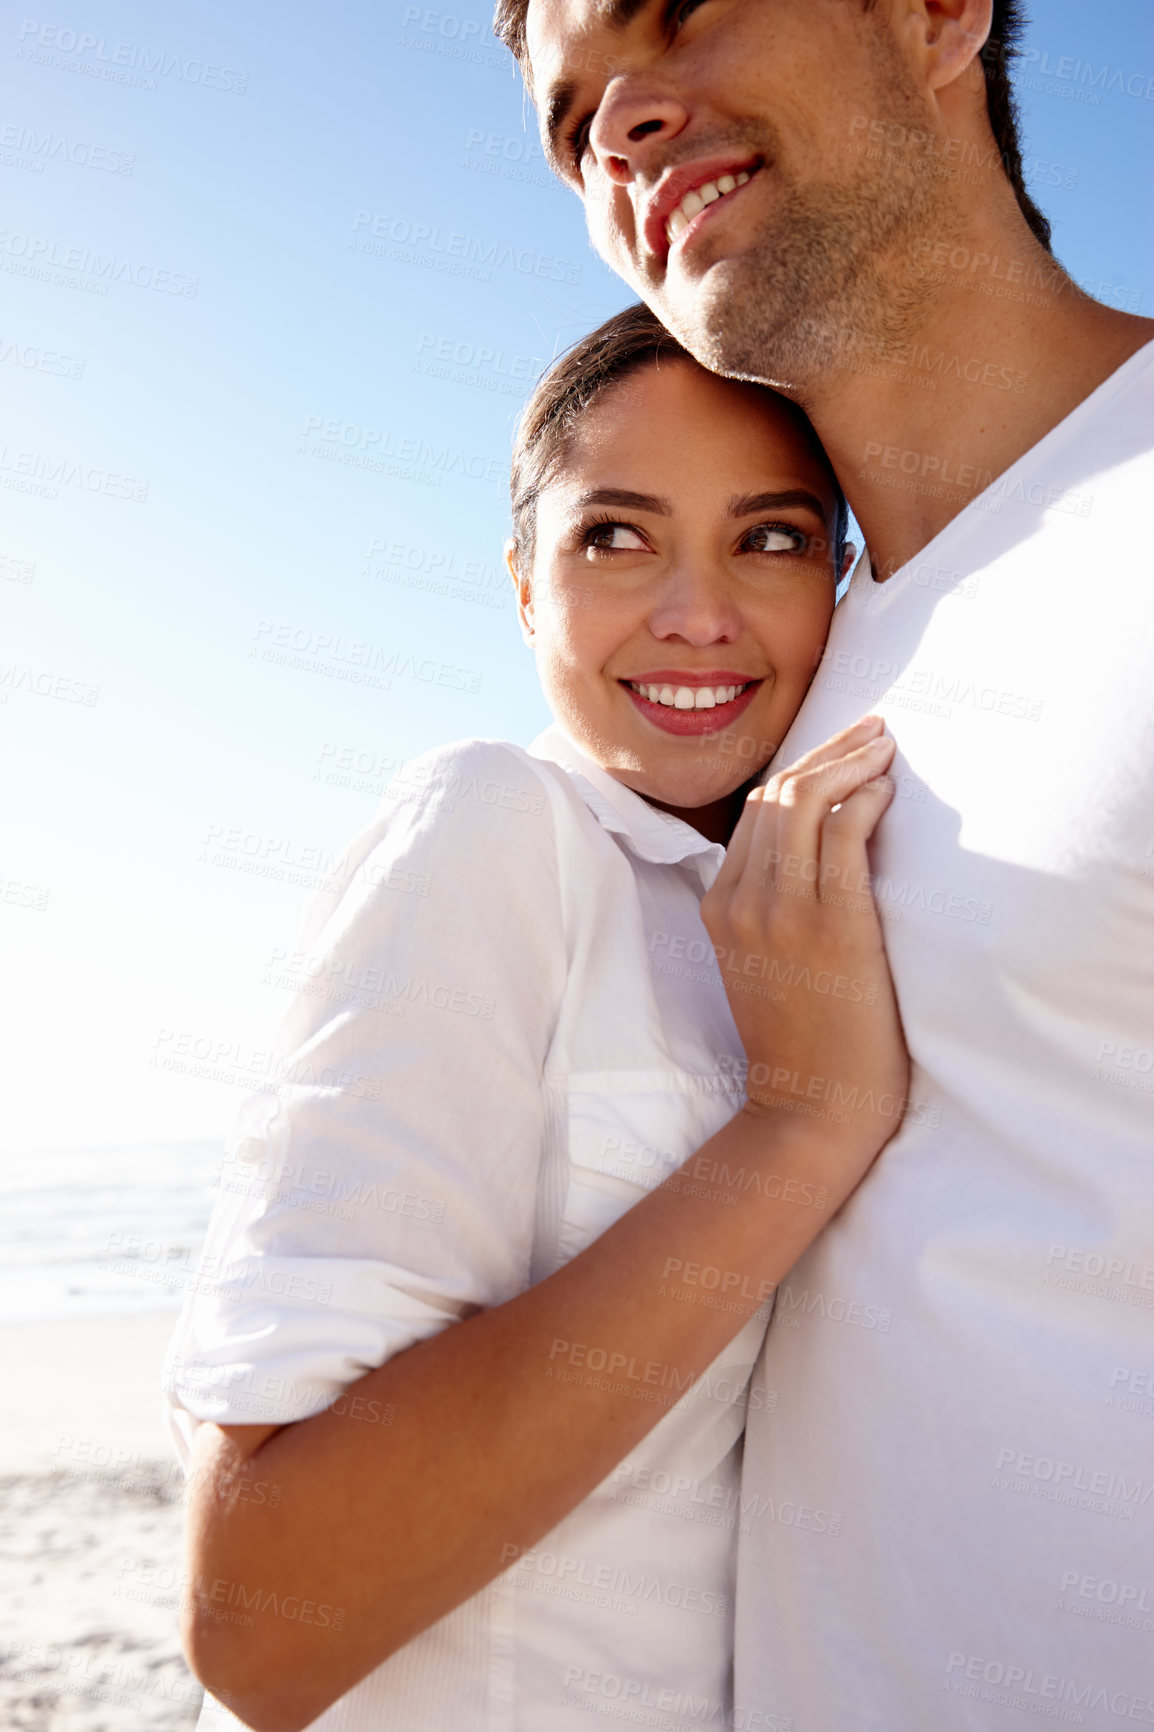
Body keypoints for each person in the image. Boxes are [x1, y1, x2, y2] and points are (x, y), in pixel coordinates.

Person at [494, 1, 1154, 1726]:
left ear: (938, 14)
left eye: (679, 12)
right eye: (569, 124)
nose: (619, 121)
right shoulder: (769, 684)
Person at [165, 303, 908, 1732]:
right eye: (614, 537)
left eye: (769, 538)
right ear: (521, 588)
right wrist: (795, 1131)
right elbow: (260, 1621)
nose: (696, 612)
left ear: (843, 579)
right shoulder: (493, 829)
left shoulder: (791, 896)